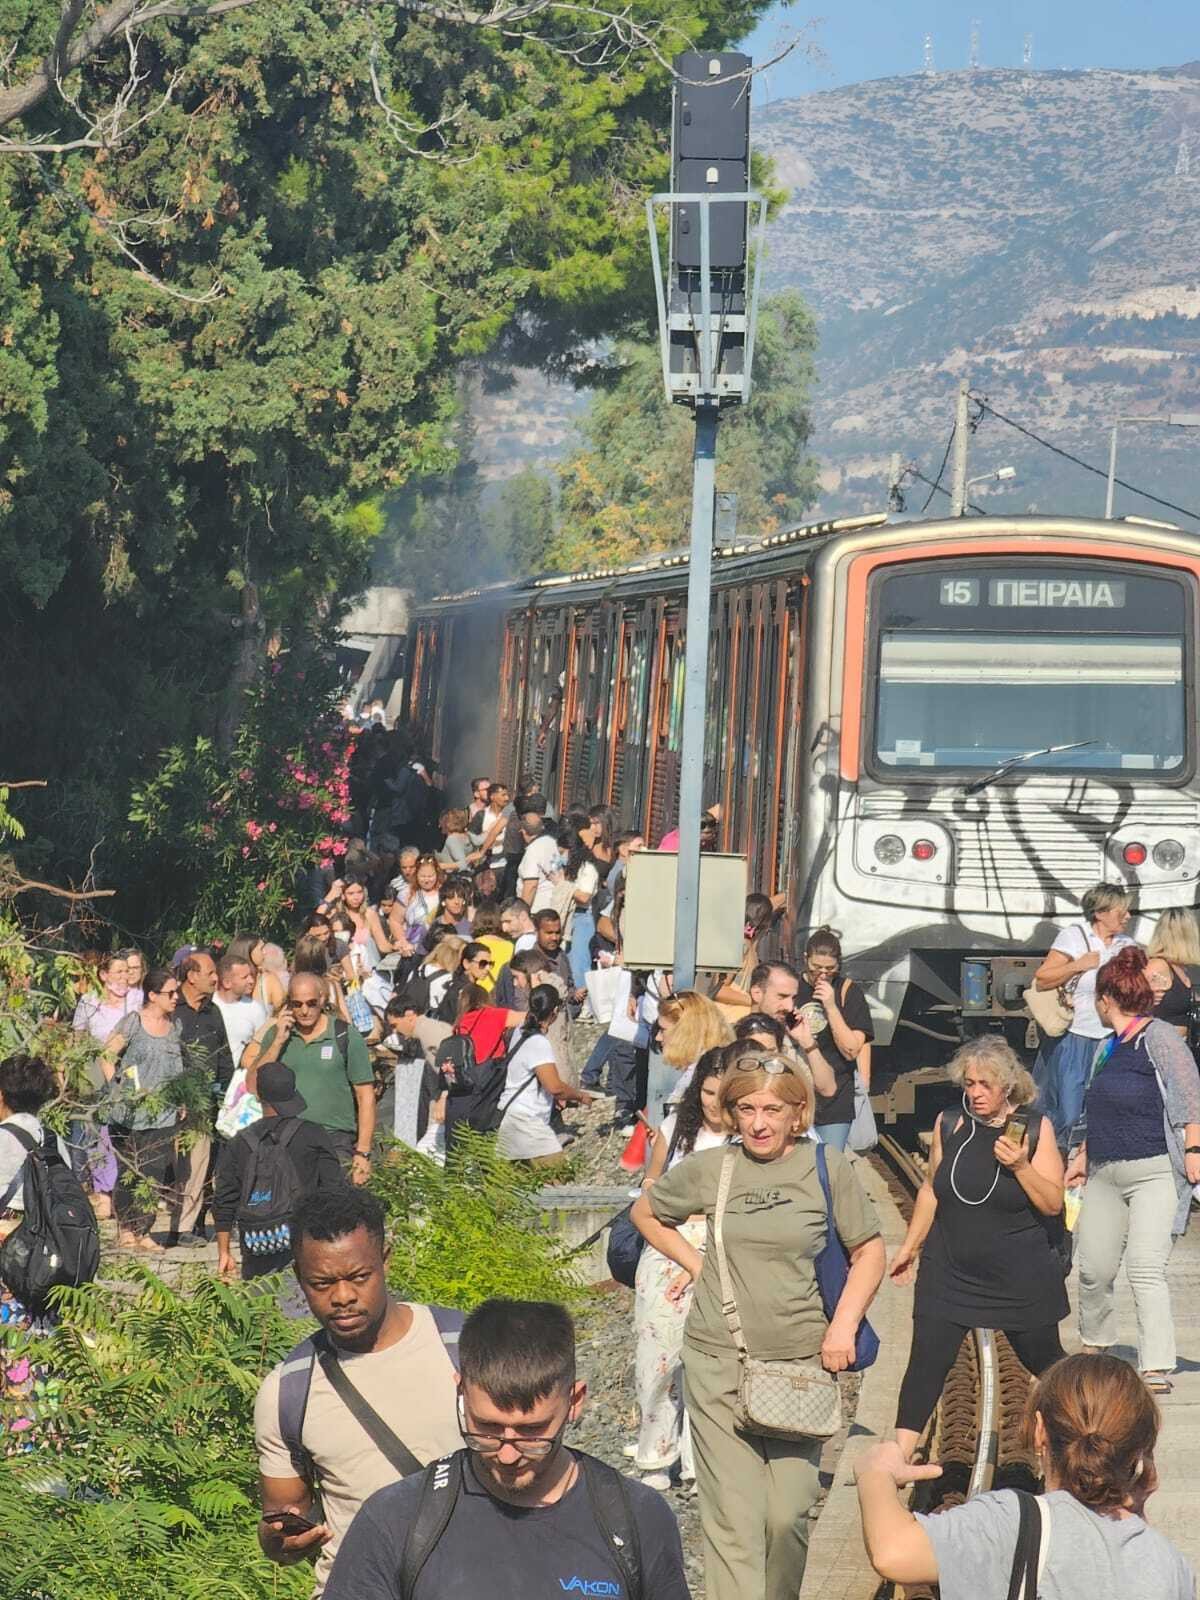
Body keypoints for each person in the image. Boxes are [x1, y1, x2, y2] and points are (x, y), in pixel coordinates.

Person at [632, 1049, 885, 1600]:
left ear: (798, 1112)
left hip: (799, 1365)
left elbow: (868, 1250)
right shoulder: (713, 1169)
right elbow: (646, 1213)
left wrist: (842, 1327)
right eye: (746, 1109)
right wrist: (701, 1266)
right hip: (719, 1360)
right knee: (734, 1525)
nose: (759, 1122)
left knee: (786, 1515)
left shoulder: (826, 1168)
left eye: (772, 1109)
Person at [325, 1296, 691, 1600]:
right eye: (486, 1428)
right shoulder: (396, 1520)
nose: (507, 1454)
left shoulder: (638, 1519)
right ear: (460, 1392)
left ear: (575, 1401)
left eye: (532, 1432)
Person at [254, 1187, 462, 1595]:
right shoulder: (288, 1391)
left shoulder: (464, 1347)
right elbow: (279, 1523)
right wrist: (281, 1540)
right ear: (299, 1277)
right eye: (322, 1283)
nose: (343, 1297)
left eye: (359, 1277)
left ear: (386, 1260)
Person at [855, 1353, 1195, 1600]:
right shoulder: (1168, 1562)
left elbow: (893, 1553)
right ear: (1142, 1448)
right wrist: (1136, 1513)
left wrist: (875, 1471)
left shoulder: (1012, 1521)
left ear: (1040, 1432)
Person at [890, 1034, 1066, 1455]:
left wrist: (1021, 1165)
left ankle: (1085, 1433)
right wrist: (909, 1247)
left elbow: (1052, 1203)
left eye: (985, 1084)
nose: (975, 1093)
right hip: (949, 1268)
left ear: (1008, 1086)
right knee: (926, 1365)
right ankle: (898, 1457)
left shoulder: (1035, 1129)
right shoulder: (950, 1123)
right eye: (969, 1083)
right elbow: (932, 1189)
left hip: (1019, 1275)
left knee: (1049, 1363)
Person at [1066, 946, 1200, 1395]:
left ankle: (1156, 1364)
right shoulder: (1106, 1047)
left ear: (1107, 999)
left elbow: (1188, 1093)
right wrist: (1082, 1154)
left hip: (1155, 1171)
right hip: (1104, 1171)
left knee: (1145, 1267)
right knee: (1094, 1268)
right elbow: (1095, 1106)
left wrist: (1195, 1150)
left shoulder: (1159, 1037)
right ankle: (1096, 1346)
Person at [633, 1048, 730, 1490]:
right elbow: (649, 1187)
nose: (713, 1102)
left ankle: (699, 1460)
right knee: (660, 1356)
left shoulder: (748, 1137)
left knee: (711, 1362)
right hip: (668, 1244)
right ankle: (656, 1453)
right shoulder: (675, 1130)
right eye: (707, 1092)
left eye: (722, 1094)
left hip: (722, 1249)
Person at [213, 1063, 343, 1279]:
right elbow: (334, 1191)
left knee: (259, 1307)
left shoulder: (239, 1142)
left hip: (256, 1244)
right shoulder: (313, 1134)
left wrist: (224, 1253)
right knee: (298, 1309)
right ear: (292, 1093)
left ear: (259, 1096)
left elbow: (224, 1200)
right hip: (304, 1246)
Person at [1032, 883, 1136, 1148]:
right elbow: (1043, 979)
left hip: (1112, 1038)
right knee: (1066, 1112)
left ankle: (1090, 1171)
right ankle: (1056, 1168)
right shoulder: (1075, 936)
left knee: (1105, 1109)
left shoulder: (1128, 945)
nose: (1128, 916)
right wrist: (1079, 964)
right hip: (1075, 1038)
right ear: (1100, 912)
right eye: (1121, 911)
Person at [244, 973, 376, 1182]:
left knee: (333, 1209)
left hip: (334, 1139)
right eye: (297, 1004)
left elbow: (365, 1096)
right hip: (286, 1139)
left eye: (311, 1003)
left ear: (322, 999)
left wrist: (363, 1151)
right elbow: (252, 1085)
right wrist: (278, 1042)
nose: (304, 1011)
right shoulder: (277, 1035)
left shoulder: (344, 1035)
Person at [101, 967, 188, 1252]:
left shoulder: (175, 1027)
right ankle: (126, 1228)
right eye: (170, 993)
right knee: (130, 1171)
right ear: (152, 995)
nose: (176, 997)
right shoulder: (133, 1023)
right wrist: (116, 1090)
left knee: (154, 1174)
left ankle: (145, 1229)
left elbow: (177, 1068)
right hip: (129, 1113)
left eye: (177, 992)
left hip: (163, 1113)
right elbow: (107, 1056)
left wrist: (183, 1099)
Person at [793, 928, 874, 1151]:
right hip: (794, 1095)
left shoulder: (849, 992)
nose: (822, 975)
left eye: (829, 969)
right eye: (816, 968)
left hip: (835, 1100)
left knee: (827, 1168)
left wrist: (830, 1006)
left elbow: (851, 1050)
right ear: (805, 959)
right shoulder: (792, 989)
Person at [171, 948, 229, 1245]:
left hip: (205, 1103)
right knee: (167, 1164)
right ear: (192, 976)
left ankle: (185, 1227)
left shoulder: (213, 1011)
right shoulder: (171, 1007)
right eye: (210, 973)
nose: (216, 978)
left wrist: (226, 1093)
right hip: (169, 1102)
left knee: (198, 1164)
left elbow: (223, 1055)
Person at [495, 986, 592, 1166]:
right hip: (529, 1122)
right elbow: (555, 1088)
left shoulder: (519, 1030)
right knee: (558, 1179)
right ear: (555, 1011)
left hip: (510, 1117)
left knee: (514, 1185)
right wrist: (580, 1096)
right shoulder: (538, 1042)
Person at [747, 960, 841, 1108]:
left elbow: (828, 1088)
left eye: (793, 998)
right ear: (757, 993)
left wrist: (808, 1043)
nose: (789, 1006)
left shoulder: (791, 1040)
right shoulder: (732, 1036)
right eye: (781, 997)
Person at [652, 990, 734, 1116]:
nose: (658, 1037)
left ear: (684, 1032)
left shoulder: (708, 1073)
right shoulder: (698, 1067)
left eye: (663, 1030)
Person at [1145, 906, 1200, 1038]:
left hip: (1183, 1047)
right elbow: (1135, 1006)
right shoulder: (1158, 965)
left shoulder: (1182, 968)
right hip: (1162, 1047)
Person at [213, 953, 269, 1072]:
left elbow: (263, 1045)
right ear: (227, 983)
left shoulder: (255, 1008)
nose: (251, 980)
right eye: (244, 977)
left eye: (251, 975)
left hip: (241, 1078)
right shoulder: (211, 1006)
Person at [517, 797, 560, 906]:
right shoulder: (551, 842)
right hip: (552, 903)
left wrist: (523, 912)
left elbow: (531, 885)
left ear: (524, 831)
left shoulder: (533, 850)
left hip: (537, 908)